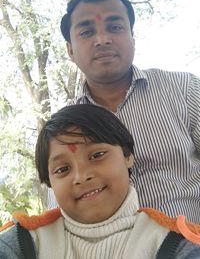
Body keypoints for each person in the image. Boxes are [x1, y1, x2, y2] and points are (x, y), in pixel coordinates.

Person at [54, 0, 200, 223]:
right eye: (86, 32)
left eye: (115, 27)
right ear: (70, 50)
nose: (102, 39)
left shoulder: (185, 90)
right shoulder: (62, 130)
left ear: (132, 36)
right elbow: (65, 210)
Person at [0, 104, 200, 259]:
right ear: (49, 182)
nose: (81, 176)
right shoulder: (24, 243)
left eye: (97, 155)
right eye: (63, 169)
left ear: (128, 155)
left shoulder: (176, 243)